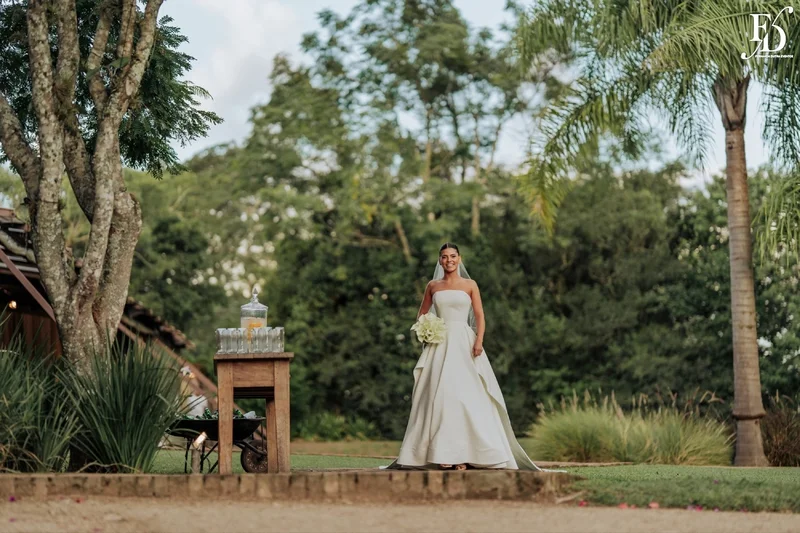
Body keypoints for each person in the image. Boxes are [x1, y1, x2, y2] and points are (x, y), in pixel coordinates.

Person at [385, 242, 553, 471]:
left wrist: (479, 340)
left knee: (466, 396)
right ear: (439, 260)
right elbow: (422, 314)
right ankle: (443, 455)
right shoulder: (433, 286)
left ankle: (468, 455)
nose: (448, 260)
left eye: (452, 256)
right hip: (440, 344)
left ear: (459, 258)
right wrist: (427, 332)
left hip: (464, 343)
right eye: (444, 257)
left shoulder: (470, 285)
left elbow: (479, 315)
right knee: (440, 396)